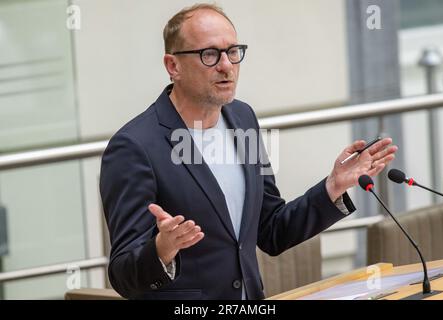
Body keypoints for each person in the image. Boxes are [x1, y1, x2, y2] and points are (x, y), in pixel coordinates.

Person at [99, 3, 397, 300]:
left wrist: (333, 187)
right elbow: (124, 275)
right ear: (173, 66)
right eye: (209, 54)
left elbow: (271, 230)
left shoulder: (242, 119)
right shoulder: (134, 147)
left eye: (232, 52)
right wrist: (162, 250)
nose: (226, 65)